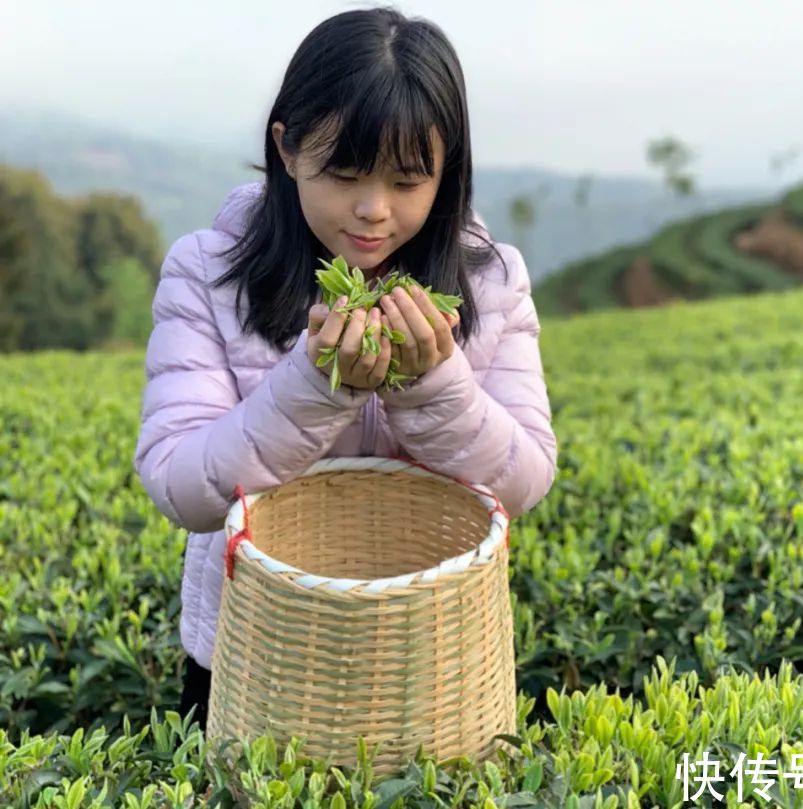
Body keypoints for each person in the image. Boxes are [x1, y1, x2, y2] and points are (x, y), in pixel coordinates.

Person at [133, 7, 558, 733]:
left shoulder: (492, 283)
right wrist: (316, 382)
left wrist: (434, 383)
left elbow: (525, 476)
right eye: (344, 172)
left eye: (407, 180)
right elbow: (179, 481)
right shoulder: (208, 275)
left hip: (429, 658)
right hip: (250, 652)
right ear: (288, 148)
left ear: (446, 168)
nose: (373, 211)